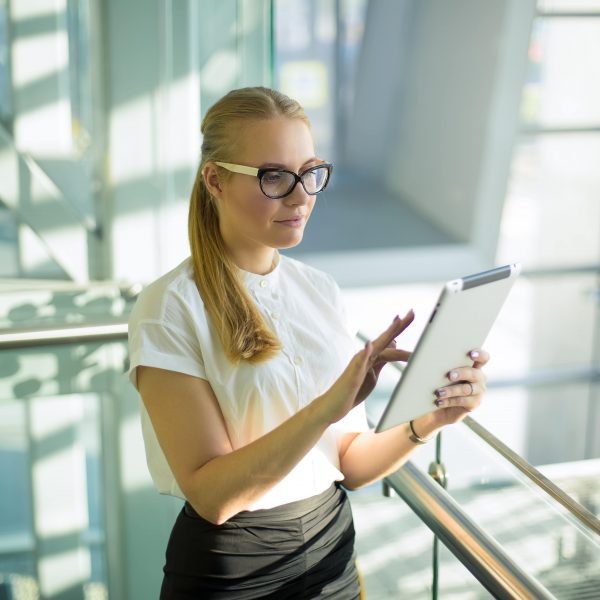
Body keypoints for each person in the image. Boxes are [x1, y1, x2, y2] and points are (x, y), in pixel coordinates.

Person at [127, 86, 488, 599]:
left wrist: (433, 419)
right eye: (274, 176)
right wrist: (325, 408)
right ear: (215, 180)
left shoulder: (319, 291)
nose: (301, 196)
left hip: (331, 552)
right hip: (234, 572)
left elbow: (349, 463)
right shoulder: (170, 307)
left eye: (310, 172)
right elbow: (212, 497)